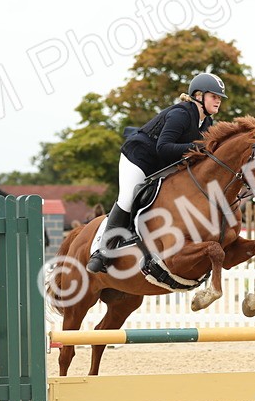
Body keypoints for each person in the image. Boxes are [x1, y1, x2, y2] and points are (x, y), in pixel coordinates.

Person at [86, 72, 226, 273]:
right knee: (128, 197)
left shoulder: (205, 123)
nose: (218, 101)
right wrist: (199, 146)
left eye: (219, 98)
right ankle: (103, 252)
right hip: (138, 158)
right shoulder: (182, 114)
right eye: (214, 96)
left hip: (162, 165)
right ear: (198, 95)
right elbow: (164, 146)